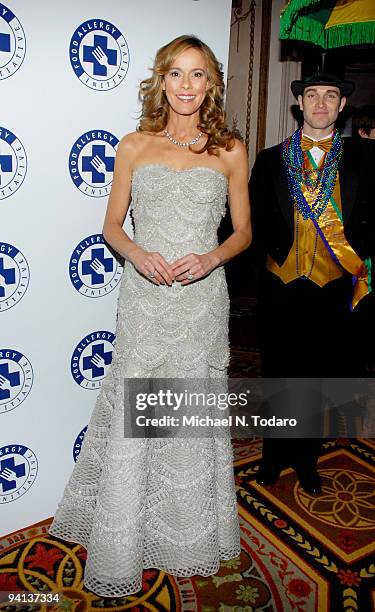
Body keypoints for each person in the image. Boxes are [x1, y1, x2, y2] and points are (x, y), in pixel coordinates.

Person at [48, 35, 251, 597]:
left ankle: (187, 532)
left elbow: (244, 232)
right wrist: (137, 254)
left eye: (198, 75)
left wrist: (211, 257)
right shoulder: (133, 146)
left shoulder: (230, 150)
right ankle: (125, 534)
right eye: (177, 74)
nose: (187, 85)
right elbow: (113, 226)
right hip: (144, 297)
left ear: (211, 84)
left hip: (202, 300)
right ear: (160, 81)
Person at [249, 73, 375, 495]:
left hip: (333, 289)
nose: (321, 103)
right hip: (280, 285)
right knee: (278, 376)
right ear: (300, 104)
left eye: (331, 96)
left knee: (318, 380)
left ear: (342, 107)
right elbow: (253, 221)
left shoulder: (365, 157)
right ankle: (272, 456)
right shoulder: (270, 159)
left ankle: (305, 459)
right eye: (312, 95)